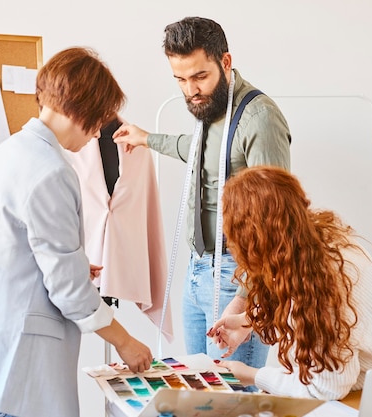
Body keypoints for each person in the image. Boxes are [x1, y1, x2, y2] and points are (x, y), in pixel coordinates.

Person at [0, 47, 153, 417]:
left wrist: (67, 266)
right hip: (18, 361)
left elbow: (9, 246)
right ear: (83, 110)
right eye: (100, 121)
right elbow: (69, 291)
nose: (96, 134)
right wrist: (126, 342)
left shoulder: (8, 152)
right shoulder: (51, 170)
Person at [113, 16, 291, 375]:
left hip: (237, 278)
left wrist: (246, 296)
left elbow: (277, 224)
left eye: (199, 77)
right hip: (197, 272)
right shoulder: (209, 108)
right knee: (200, 394)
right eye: (180, 79)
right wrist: (147, 138)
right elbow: (200, 151)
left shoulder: (259, 119)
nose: (190, 90)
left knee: (234, 401)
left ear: (225, 62)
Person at [208, 166, 372, 400]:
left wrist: (252, 375)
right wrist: (248, 320)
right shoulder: (306, 245)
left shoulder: (326, 283)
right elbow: (292, 300)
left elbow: (327, 388)